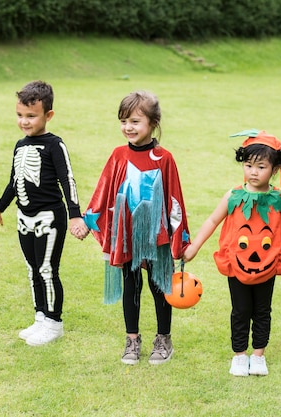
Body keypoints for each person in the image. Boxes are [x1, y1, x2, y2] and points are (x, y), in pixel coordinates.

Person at [78, 91, 191, 365]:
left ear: (153, 123)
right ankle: (132, 339)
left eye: (135, 121)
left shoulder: (164, 158)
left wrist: (181, 240)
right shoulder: (118, 155)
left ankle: (164, 339)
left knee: (159, 285)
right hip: (126, 235)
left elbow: (175, 199)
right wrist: (87, 219)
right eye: (124, 121)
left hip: (156, 236)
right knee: (131, 285)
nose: (128, 127)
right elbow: (104, 190)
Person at [183, 130, 281, 377]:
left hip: (267, 265)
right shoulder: (233, 196)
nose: (253, 172)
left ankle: (258, 355)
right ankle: (239, 355)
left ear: (275, 169)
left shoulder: (280, 199)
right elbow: (213, 221)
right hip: (238, 265)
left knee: (262, 310)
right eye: (248, 165)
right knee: (240, 310)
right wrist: (194, 247)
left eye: (261, 167)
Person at [0, 81, 85, 346]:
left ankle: (55, 322)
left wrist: (75, 214)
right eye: (20, 115)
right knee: (32, 269)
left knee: (47, 269)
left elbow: (68, 180)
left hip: (49, 218)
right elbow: (13, 182)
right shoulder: (20, 145)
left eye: (31, 116)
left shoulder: (55, 145)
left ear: (48, 115)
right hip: (24, 217)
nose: (24, 121)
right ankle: (41, 317)